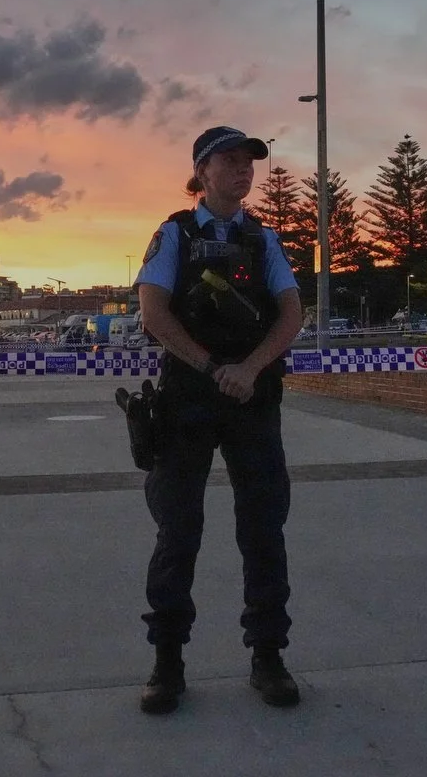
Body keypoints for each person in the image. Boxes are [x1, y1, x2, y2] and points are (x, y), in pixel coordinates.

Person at [131, 125, 305, 714]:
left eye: (248, 163)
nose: (243, 171)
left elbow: (291, 316)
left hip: (252, 399)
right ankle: (167, 662)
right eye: (229, 161)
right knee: (178, 534)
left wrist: (251, 368)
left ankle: (268, 656)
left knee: (264, 531)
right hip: (187, 400)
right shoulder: (173, 234)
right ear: (201, 171)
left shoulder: (264, 238)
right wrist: (211, 368)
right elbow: (154, 314)